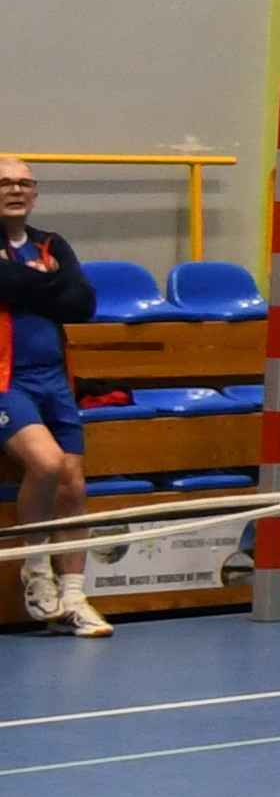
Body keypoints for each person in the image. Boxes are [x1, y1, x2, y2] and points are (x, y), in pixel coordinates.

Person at [0, 157, 104, 636]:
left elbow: (82, 303)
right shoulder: (49, 259)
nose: (15, 190)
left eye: (24, 183)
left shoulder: (51, 243)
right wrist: (52, 283)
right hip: (5, 382)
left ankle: (75, 597)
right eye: (5, 182)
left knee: (73, 485)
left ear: (36, 193)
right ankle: (37, 571)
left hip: (55, 378)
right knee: (46, 464)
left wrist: (25, 285)